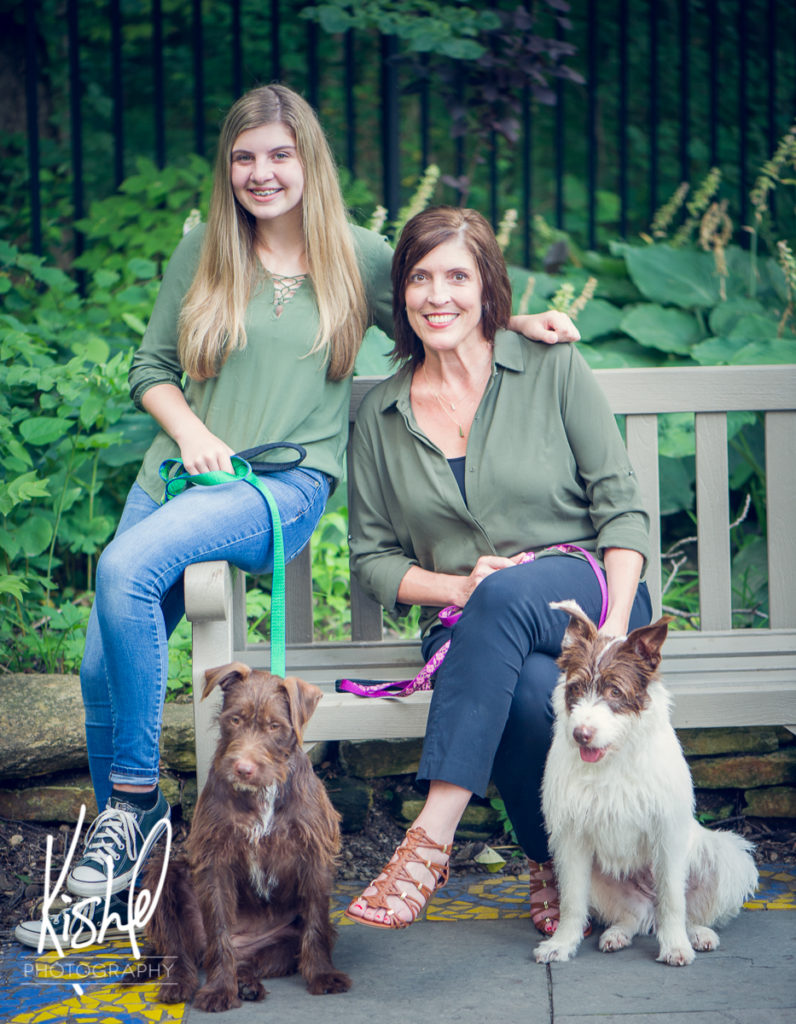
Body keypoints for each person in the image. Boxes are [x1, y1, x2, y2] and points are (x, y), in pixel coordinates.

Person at [15, 88, 578, 949]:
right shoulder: (203, 249)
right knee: (99, 663)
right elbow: (152, 367)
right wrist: (195, 435)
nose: (261, 173)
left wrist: (518, 325)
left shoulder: (354, 255)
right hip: (177, 476)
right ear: (227, 167)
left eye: (278, 155)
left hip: (280, 485)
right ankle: (130, 867)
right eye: (244, 157)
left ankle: (131, 807)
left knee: (123, 570)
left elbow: (444, 308)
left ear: (308, 159)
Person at [344, 206, 651, 934]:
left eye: (457, 276)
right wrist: (456, 586)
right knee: (529, 690)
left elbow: (623, 508)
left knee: (511, 592)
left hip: (588, 591)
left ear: (489, 290)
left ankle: (430, 838)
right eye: (419, 277)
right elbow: (373, 559)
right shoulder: (381, 416)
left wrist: (610, 634)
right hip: (472, 624)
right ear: (401, 293)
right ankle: (553, 865)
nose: (437, 295)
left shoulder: (550, 367)